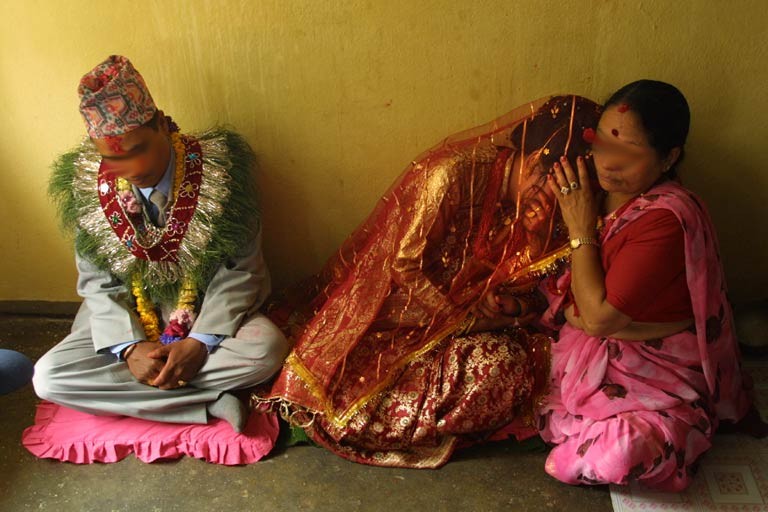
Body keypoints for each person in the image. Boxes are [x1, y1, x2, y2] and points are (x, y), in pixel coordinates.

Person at [256, 95, 602, 467]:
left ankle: (437, 417)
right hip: (390, 329)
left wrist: (526, 267)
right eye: (565, 188)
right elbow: (405, 269)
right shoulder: (454, 176)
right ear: (535, 164)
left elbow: (535, 297)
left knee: (518, 367)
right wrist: (465, 320)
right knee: (350, 411)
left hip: (465, 338)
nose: (567, 202)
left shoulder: (548, 210)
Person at [33, 55, 288, 432]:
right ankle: (208, 400)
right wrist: (129, 348)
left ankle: (140, 392)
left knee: (266, 351)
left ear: (162, 124)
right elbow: (97, 285)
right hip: (126, 317)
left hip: (204, 309)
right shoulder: (89, 188)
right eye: (113, 159)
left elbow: (241, 272)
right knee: (49, 378)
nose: (131, 169)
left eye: (138, 150)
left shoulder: (222, 172)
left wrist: (199, 342)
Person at [538, 80, 762, 491]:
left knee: (620, 452)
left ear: (668, 158)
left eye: (629, 153)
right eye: (601, 143)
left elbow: (599, 319)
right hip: (588, 345)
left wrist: (580, 230)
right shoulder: (590, 185)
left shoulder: (665, 219)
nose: (609, 163)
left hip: (657, 377)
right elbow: (569, 295)